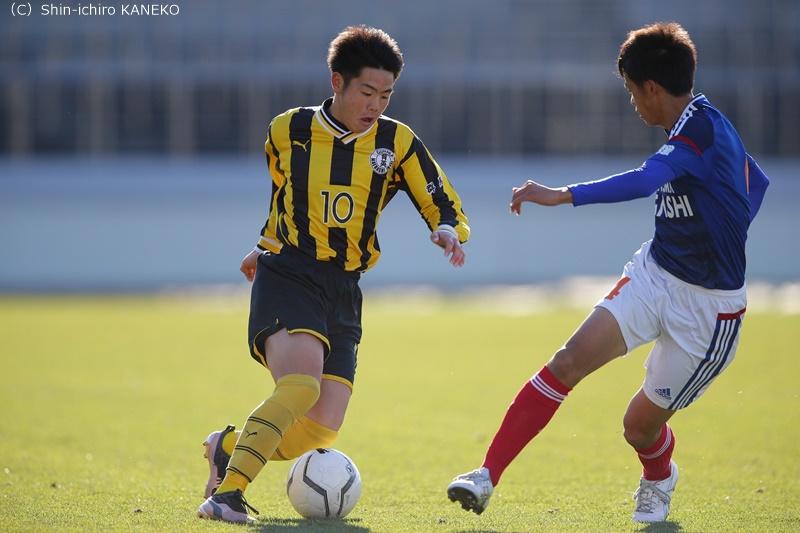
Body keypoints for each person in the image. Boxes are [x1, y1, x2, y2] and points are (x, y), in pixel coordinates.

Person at [447, 21, 768, 523]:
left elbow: (646, 182)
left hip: (708, 314)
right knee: (567, 361)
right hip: (655, 274)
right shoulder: (701, 124)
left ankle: (659, 476)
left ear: (652, 89)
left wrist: (562, 194)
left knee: (637, 427)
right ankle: (485, 476)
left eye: (632, 91)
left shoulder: (701, 132)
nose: (633, 102)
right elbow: (757, 181)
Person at [197, 25, 470, 523]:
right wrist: (264, 246)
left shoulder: (397, 141)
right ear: (337, 81)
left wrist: (448, 229)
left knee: (322, 426)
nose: (376, 105)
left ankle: (227, 448)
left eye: (386, 94)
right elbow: (283, 199)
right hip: (291, 273)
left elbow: (440, 198)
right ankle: (226, 495)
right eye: (367, 92)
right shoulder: (288, 131)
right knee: (300, 386)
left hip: (345, 288)